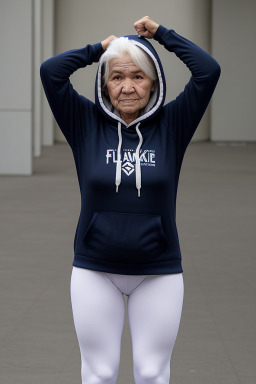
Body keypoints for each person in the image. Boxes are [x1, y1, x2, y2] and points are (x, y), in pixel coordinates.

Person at [40, 15, 221, 384]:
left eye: (138, 76)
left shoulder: (173, 124)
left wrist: (161, 35)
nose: (127, 87)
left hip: (158, 271)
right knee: (100, 374)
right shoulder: (84, 122)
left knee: (152, 374)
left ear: (154, 83)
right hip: (95, 269)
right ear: (105, 84)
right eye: (117, 76)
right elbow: (51, 72)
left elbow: (208, 71)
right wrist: (98, 50)